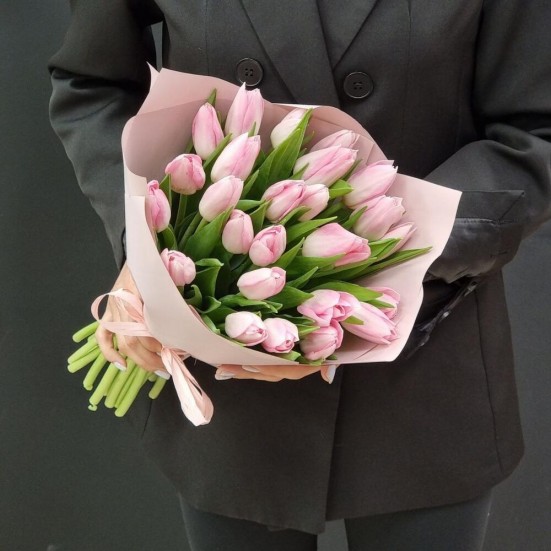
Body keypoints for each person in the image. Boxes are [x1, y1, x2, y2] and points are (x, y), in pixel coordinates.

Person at [49, 1, 551, 549]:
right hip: (221, 370)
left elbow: (536, 132)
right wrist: (150, 250)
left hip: (425, 358)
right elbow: (93, 84)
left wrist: (375, 248)